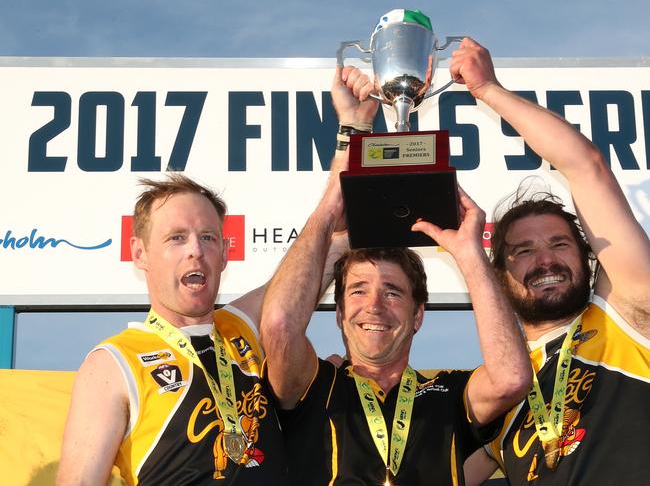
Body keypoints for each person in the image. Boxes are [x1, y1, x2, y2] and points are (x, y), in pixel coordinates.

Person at [259, 65, 532, 485]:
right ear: (337, 313)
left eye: (392, 292)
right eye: (358, 291)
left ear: (418, 314)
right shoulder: (313, 383)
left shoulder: (447, 393)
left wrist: (469, 253)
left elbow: (512, 377)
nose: (374, 306)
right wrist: (331, 207)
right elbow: (278, 325)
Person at [453, 38, 650, 486]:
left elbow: (586, 167)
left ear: (589, 258)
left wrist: (488, 90)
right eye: (522, 251)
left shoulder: (629, 314)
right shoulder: (501, 387)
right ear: (499, 277)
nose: (544, 259)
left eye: (560, 245)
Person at [57, 174, 287, 485]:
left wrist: (348, 140)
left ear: (224, 254)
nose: (195, 250)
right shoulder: (113, 363)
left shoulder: (243, 326)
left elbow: (312, 264)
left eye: (208, 237)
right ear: (140, 253)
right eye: (176, 237)